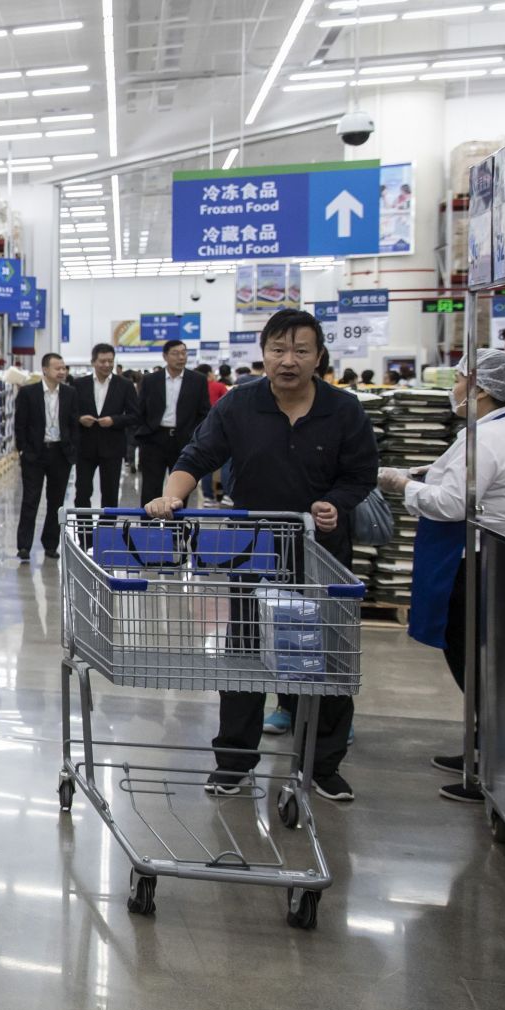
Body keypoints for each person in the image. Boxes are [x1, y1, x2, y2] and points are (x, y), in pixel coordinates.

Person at [147, 308, 380, 803]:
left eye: (300, 350)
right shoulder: (239, 405)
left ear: (319, 356)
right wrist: (171, 496)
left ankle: (323, 763)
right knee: (244, 653)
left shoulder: (344, 410)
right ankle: (233, 762)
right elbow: (196, 457)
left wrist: (335, 504)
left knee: (326, 656)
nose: (287, 360)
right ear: (263, 352)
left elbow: (361, 476)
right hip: (252, 550)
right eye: (278, 349)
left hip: (320, 552)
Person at [376, 349, 505, 803]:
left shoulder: (486, 439)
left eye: (459, 380)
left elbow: (453, 503)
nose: (455, 389)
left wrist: (402, 485)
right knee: (485, 658)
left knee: (470, 656)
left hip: (471, 559)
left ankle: (489, 764)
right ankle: (481, 746)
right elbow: (462, 478)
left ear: (483, 388)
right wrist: (421, 472)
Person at [15, 352, 79, 561]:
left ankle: (51, 544)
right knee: (30, 499)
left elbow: (73, 423)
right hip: (35, 453)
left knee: (56, 500)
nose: (61, 372)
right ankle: (24, 545)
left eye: (63, 368)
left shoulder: (70, 393)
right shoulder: (28, 393)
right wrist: (23, 449)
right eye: (57, 368)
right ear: (45, 370)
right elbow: (20, 423)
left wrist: (72, 449)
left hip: (60, 453)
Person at [133, 339, 211, 504]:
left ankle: (178, 529)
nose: (181, 357)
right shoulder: (150, 380)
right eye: (175, 353)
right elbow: (140, 409)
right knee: (150, 488)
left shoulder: (197, 380)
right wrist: (144, 432)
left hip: (184, 440)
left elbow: (204, 412)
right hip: (155, 438)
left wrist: (194, 435)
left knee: (181, 489)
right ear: (165, 356)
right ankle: (149, 527)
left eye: (184, 353)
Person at [74, 342, 135, 509]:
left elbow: (134, 415)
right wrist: (80, 419)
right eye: (102, 361)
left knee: (110, 494)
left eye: (110, 361)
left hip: (113, 446)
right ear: (93, 362)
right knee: (82, 492)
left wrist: (114, 420)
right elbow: (69, 412)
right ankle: (83, 532)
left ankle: (108, 532)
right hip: (85, 447)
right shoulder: (80, 385)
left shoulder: (124, 385)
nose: (107, 365)